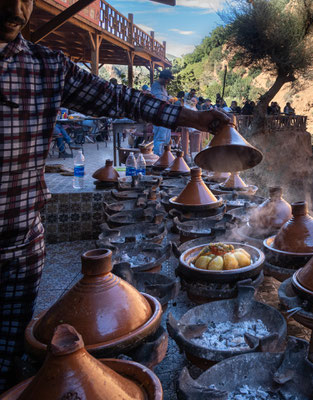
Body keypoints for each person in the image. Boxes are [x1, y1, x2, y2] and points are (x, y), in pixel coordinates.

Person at [0, 1, 230, 392]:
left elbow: (120, 98)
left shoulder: (45, 66)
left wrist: (194, 117)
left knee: (8, 358)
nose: (16, 5)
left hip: (20, 248)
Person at [150, 69, 175, 155]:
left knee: (167, 139)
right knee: (160, 139)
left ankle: (165, 158)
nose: (168, 81)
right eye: (168, 79)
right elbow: (159, 99)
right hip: (158, 115)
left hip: (165, 116)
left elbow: (165, 97)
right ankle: (158, 160)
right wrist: (169, 99)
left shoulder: (163, 87)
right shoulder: (156, 86)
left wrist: (169, 98)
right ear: (164, 78)